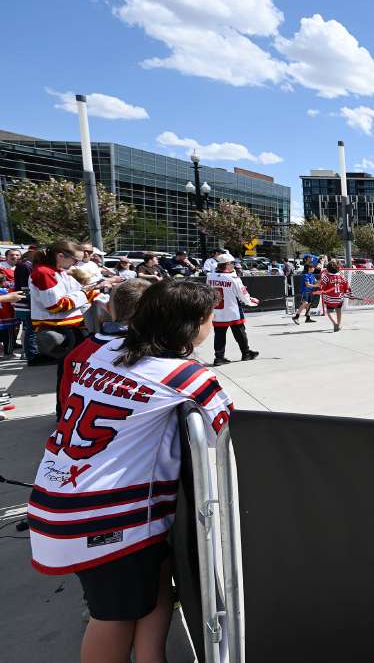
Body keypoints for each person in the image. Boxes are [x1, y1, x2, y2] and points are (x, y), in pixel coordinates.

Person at [29, 280, 233, 663]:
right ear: (192, 326)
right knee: (113, 618)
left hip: (66, 499)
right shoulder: (184, 375)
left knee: (152, 588)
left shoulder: (103, 351)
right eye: (209, 318)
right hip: (102, 515)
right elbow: (222, 424)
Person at [30, 241, 119, 401]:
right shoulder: (44, 272)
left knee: (75, 372)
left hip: (73, 329)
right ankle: (64, 411)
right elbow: (56, 305)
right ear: (61, 256)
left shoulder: (58, 271)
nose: (76, 264)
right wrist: (89, 292)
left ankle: (69, 410)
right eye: (74, 260)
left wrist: (94, 289)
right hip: (63, 331)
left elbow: (77, 293)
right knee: (68, 374)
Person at [207, 253, 259, 365]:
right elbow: (243, 295)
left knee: (219, 335)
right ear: (226, 264)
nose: (234, 266)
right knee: (240, 333)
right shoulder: (233, 278)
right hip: (232, 310)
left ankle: (219, 357)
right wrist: (252, 301)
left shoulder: (210, 276)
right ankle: (246, 353)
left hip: (218, 311)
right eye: (232, 263)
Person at [318, 263, 351, 332]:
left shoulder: (326, 277)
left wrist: (321, 291)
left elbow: (322, 286)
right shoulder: (342, 276)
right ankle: (338, 325)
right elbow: (346, 285)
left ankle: (335, 323)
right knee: (338, 310)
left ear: (328, 269)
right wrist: (347, 293)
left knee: (329, 311)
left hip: (330, 298)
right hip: (339, 298)